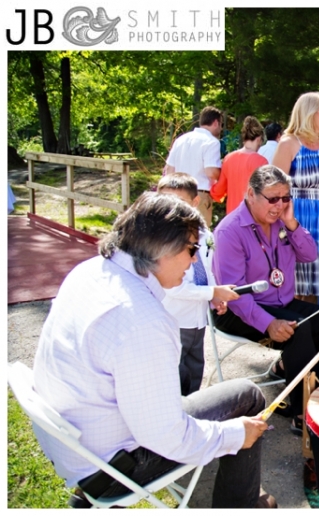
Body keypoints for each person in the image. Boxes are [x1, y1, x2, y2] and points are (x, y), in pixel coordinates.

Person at [32, 193, 276, 509]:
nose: (193, 260)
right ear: (162, 249)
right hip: (112, 467)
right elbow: (166, 436)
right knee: (248, 397)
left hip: (74, 446)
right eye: (192, 249)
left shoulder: (88, 271)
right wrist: (234, 435)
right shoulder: (141, 319)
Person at [212, 165, 319, 435]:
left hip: (279, 302)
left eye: (286, 198)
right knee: (299, 327)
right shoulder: (230, 231)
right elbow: (234, 294)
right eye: (273, 198)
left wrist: (293, 223)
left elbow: (309, 254)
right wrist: (270, 323)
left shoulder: (283, 220)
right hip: (236, 309)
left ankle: (291, 375)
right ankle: (301, 410)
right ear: (250, 194)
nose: (280, 205)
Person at [158, 173, 240, 395]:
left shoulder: (204, 235)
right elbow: (173, 287)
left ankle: (192, 413)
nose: (172, 210)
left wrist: (214, 297)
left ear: (195, 203)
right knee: (173, 375)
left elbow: (207, 269)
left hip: (197, 319)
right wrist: (212, 291)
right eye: (166, 202)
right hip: (173, 319)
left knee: (195, 371)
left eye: (180, 203)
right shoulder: (162, 242)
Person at [272, 92, 319, 303]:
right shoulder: (289, 144)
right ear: (310, 112)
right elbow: (274, 189)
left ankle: (311, 328)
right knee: (291, 278)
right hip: (293, 215)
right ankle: (288, 327)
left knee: (312, 282)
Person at [164, 106, 223, 227]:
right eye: (221, 125)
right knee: (199, 235)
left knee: (177, 233)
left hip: (177, 193)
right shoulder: (211, 142)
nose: (221, 129)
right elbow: (211, 172)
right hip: (199, 195)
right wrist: (223, 171)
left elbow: (169, 170)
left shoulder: (180, 139)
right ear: (216, 122)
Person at [211, 116, 268, 214]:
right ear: (259, 139)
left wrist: (209, 191)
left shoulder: (229, 158)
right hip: (253, 216)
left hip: (232, 216)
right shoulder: (261, 161)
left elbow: (220, 189)